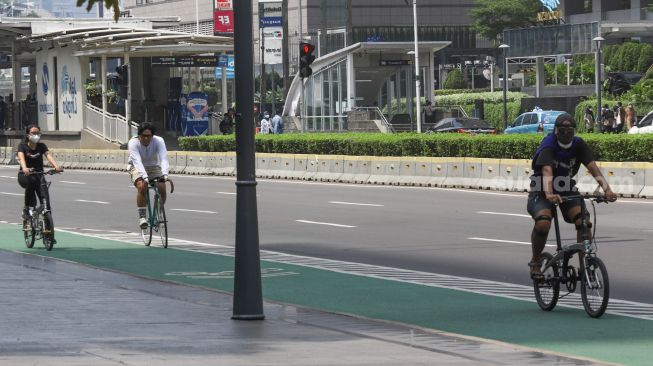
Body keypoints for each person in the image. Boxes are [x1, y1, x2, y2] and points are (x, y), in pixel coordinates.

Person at [526, 113, 617, 279]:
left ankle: (585, 266)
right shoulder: (549, 144)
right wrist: (549, 193)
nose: (566, 134)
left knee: (584, 222)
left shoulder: (578, 144)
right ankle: (536, 261)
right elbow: (547, 170)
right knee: (544, 222)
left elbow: (593, 168)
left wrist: (607, 189)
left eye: (570, 131)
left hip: (565, 187)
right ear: (555, 131)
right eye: (562, 130)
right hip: (541, 188)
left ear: (574, 131)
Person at [16, 125, 63, 241]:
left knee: (46, 201)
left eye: (38, 133)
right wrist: (25, 168)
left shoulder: (41, 146)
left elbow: (48, 156)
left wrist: (56, 166)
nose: (36, 135)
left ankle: (49, 235)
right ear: (28, 135)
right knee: (30, 182)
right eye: (33, 133)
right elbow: (21, 158)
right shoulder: (22, 146)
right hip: (25, 175)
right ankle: (27, 208)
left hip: (39, 175)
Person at [127, 123, 170, 229]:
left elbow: (164, 158)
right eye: (143, 136)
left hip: (154, 167)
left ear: (152, 136)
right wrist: (145, 178)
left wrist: (164, 174)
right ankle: (142, 217)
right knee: (142, 186)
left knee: (162, 187)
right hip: (136, 167)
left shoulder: (159, 141)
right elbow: (137, 162)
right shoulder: (133, 142)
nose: (146, 138)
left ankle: (158, 214)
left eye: (149, 136)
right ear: (139, 135)